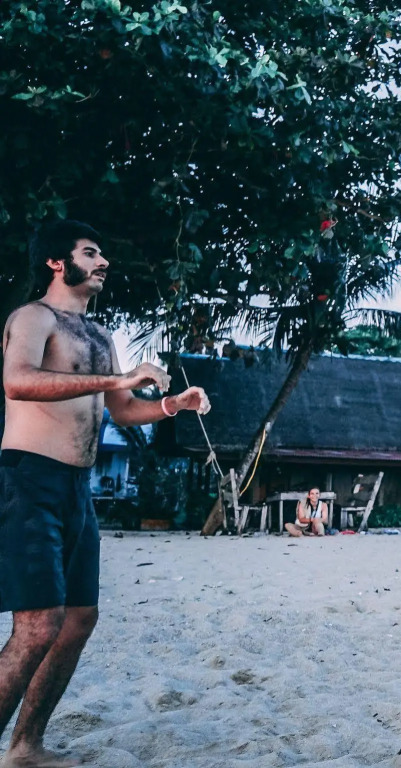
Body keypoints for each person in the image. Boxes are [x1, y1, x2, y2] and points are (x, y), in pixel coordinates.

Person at [0, 220, 210, 768]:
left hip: (78, 487)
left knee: (78, 619)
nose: (103, 262)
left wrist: (172, 406)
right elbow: (18, 381)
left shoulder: (99, 336)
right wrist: (118, 380)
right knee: (38, 625)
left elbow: (122, 410)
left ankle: (25, 748)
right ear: (57, 262)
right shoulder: (32, 318)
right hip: (29, 479)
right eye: (90, 252)